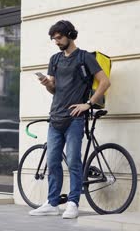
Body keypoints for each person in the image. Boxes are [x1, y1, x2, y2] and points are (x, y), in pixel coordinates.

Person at [29, 20, 110, 219]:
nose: (56, 42)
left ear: (70, 35)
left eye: (59, 37)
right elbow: (53, 89)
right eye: (53, 38)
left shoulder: (84, 57)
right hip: (55, 117)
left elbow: (105, 82)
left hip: (75, 118)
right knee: (53, 160)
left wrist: (88, 104)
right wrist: (46, 83)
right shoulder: (54, 59)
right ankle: (52, 203)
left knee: (73, 160)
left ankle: (73, 203)